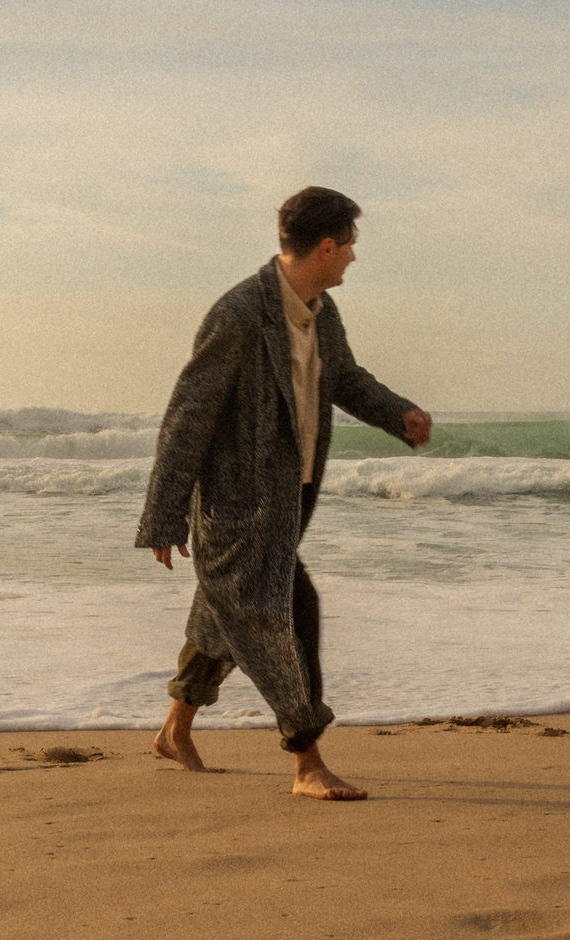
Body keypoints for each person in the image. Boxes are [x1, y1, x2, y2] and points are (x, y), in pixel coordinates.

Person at [136, 186, 433, 800]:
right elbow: (188, 414)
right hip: (236, 506)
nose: (354, 256)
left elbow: (344, 378)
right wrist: (163, 514)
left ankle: (174, 729)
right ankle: (307, 763)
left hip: (286, 500)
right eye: (350, 245)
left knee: (224, 616)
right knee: (285, 616)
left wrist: (397, 414)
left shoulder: (319, 308)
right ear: (326, 246)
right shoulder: (241, 313)